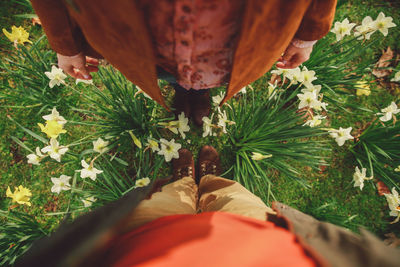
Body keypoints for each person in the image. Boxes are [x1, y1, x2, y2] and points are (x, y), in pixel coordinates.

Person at [18, 146, 400, 267]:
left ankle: (186, 178)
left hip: (137, 239)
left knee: (170, 197)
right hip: (265, 240)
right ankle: (208, 179)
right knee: (233, 194)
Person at [30, 0, 337, 125]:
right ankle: (182, 89)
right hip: (144, 36)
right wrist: (66, 42)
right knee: (163, 71)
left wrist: (308, 32)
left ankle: (200, 92)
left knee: (213, 73)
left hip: (229, 39)